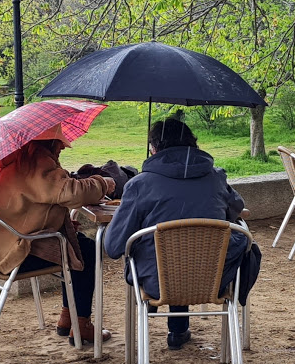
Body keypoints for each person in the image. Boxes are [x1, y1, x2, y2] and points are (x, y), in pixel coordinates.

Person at [105, 118, 259, 350]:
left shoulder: (140, 185)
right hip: (215, 280)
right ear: (193, 144)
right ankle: (178, 331)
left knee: (165, 254)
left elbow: (113, 246)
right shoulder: (216, 178)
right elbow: (238, 207)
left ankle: (173, 333)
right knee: (192, 250)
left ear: (154, 149)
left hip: (156, 281)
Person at [0, 123, 116, 346]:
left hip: (0, 247)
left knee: (76, 244)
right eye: (59, 143)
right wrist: (104, 182)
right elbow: (71, 192)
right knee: (86, 251)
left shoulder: (18, 161)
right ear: (48, 142)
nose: (62, 148)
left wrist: (60, 224)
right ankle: (80, 325)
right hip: (17, 255)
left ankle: (68, 318)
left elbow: (35, 205)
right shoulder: (37, 162)